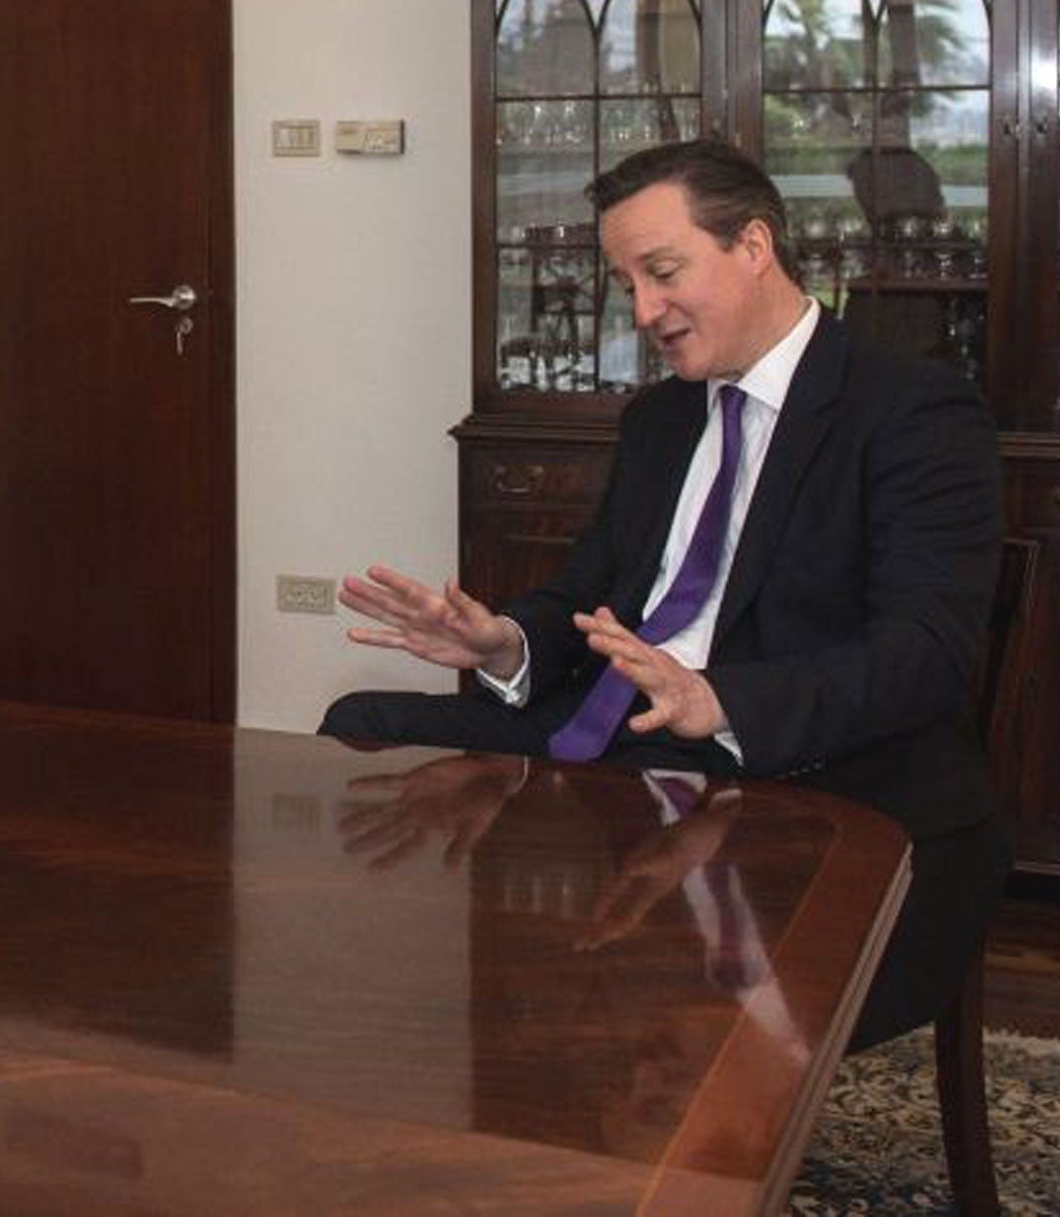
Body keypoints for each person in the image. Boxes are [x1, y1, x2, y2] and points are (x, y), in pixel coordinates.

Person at [323, 138, 1007, 1050]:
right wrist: (504, 645)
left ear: (753, 246)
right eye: (627, 284)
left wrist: (718, 700)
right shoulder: (661, 418)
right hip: (625, 741)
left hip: (804, 767)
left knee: (704, 1013)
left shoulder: (910, 411)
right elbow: (591, 593)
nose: (643, 310)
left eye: (663, 272)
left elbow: (922, 655)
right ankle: (394, 1010)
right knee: (364, 722)